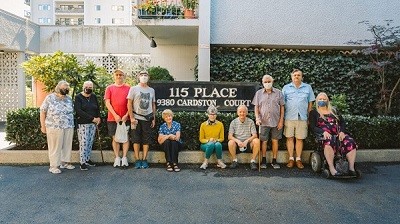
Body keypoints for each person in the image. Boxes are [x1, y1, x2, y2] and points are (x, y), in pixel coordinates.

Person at [309, 92, 358, 176]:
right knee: (329, 141)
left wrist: (342, 132)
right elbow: (313, 127)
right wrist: (323, 132)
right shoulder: (314, 113)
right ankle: (332, 168)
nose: (322, 101)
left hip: (338, 134)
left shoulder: (334, 110)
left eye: (324, 99)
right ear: (317, 101)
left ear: (327, 100)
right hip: (325, 135)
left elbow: (342, 122)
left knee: (350, 142)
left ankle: (351, 168)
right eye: (320, 99)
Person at [282, 69, 315, 169]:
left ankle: (298, 159)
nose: (296, 77)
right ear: (292, 77)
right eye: (295, 75)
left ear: (302, 77)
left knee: (300, 139)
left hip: (302, 117)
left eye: (298, 75)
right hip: (289, 117)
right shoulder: (286, 88)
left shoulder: (308, 87)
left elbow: (310, 103)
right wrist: (282, 117)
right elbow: (282, 104)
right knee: (289, 138)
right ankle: (291, 159)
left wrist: (309, 117)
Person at [40, 80, 75, 174]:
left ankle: (65, 163)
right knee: (55, 146)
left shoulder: (69, 98)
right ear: (58, 88)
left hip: (68, 125)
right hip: (54, 127)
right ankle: (53, 166)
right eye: (64, 87)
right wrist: (43, 126)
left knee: (67, 145)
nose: (66, 89)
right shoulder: (50, 98)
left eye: (67, 88)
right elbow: (43, 111)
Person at [252, 74, 284, 169]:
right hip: (263, 122)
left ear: (272, 81)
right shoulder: (258, 93)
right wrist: (257, 118)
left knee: (275, 141)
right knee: (264, 142)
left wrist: (281, 121)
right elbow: (256, 107)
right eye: (265, 82)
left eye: (269, 81)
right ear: (262, 83)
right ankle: (264, 160)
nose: (267, 83)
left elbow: (282, 107)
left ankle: (274, 161)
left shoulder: (278, 93)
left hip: (276, 121)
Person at [127, 70, 156, 169]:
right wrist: (131, 117)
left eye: (146, 75)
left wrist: (153, 118)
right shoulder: (133, 89)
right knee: (136, 139)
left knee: (146, 140)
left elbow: (153, 104)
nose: (144, 76)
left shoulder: (151, 90)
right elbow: (129, 103)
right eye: (142, 75)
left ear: (148, 77)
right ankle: (137, 159)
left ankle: (144, 159)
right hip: (136, 118)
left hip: (147, 118)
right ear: (138, 77)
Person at [104, 69, 131, 168]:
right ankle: (117, 158)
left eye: (121, 75)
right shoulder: (109, 88)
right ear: (114, 76)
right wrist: (115, 115)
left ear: (124, 76)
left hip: (125, 118)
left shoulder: (129, 88)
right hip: (112, 118)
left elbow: (130, 104)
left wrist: (127, 115)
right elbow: (107, 103)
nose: (119, 76)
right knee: (115, 138)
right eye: (117, 75)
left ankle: (124, 158)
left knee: (126, 137)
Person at [74, 81, 101, 171]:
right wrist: (92, 118)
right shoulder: (78, 97)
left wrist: (98, 118)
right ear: (83, 87)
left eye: (90, 87)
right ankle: (82, 162)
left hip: (93, 123)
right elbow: (79, 111)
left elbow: (97, 108)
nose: (88, 88)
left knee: (90, 142)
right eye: (87, 86)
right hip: (83, 123)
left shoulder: (93, 96)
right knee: (84, 142)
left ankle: (87, 159)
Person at [228, 105, 260, 170]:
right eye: (240, 112)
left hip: (248, 144)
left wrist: (246, 141)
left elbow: (255, 135)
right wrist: (237, 141)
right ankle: (235, 161)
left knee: (257, 141)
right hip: (237, 144)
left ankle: (253, 161)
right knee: (231, 142)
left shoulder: (250, 121)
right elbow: (229, 136)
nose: (242, 113)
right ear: (237, 113)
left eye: (244, 112)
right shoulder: (233, 122)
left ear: (247, 113)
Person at [199, 105, 226, 170]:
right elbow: (201, 139)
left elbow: (222, 138)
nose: (212, 116)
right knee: (210, 144)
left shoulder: (220, 124)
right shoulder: (203, 125)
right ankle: (205, 162)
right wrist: (209, 140)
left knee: (218, 144)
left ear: (216, 115)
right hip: (205, 145)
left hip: (216, 144)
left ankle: (219, 161)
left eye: (214, 114)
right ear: (208, 115)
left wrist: (216, 140)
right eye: (211, 114)